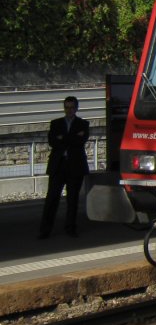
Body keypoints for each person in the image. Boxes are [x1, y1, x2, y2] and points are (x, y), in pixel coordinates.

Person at [38, 96, 90, 238]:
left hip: (75, 166)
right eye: (67, 107)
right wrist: (71, 137)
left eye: (72, 107)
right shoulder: (56, 123)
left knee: (72, 199)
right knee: (52, 198)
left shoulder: (83, 124)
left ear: (76, 108)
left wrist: (63, 138)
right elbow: (52, 141)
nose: (69, 110)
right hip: (58, 165)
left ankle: (71, 228)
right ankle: (45, 229)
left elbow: (80, 141)